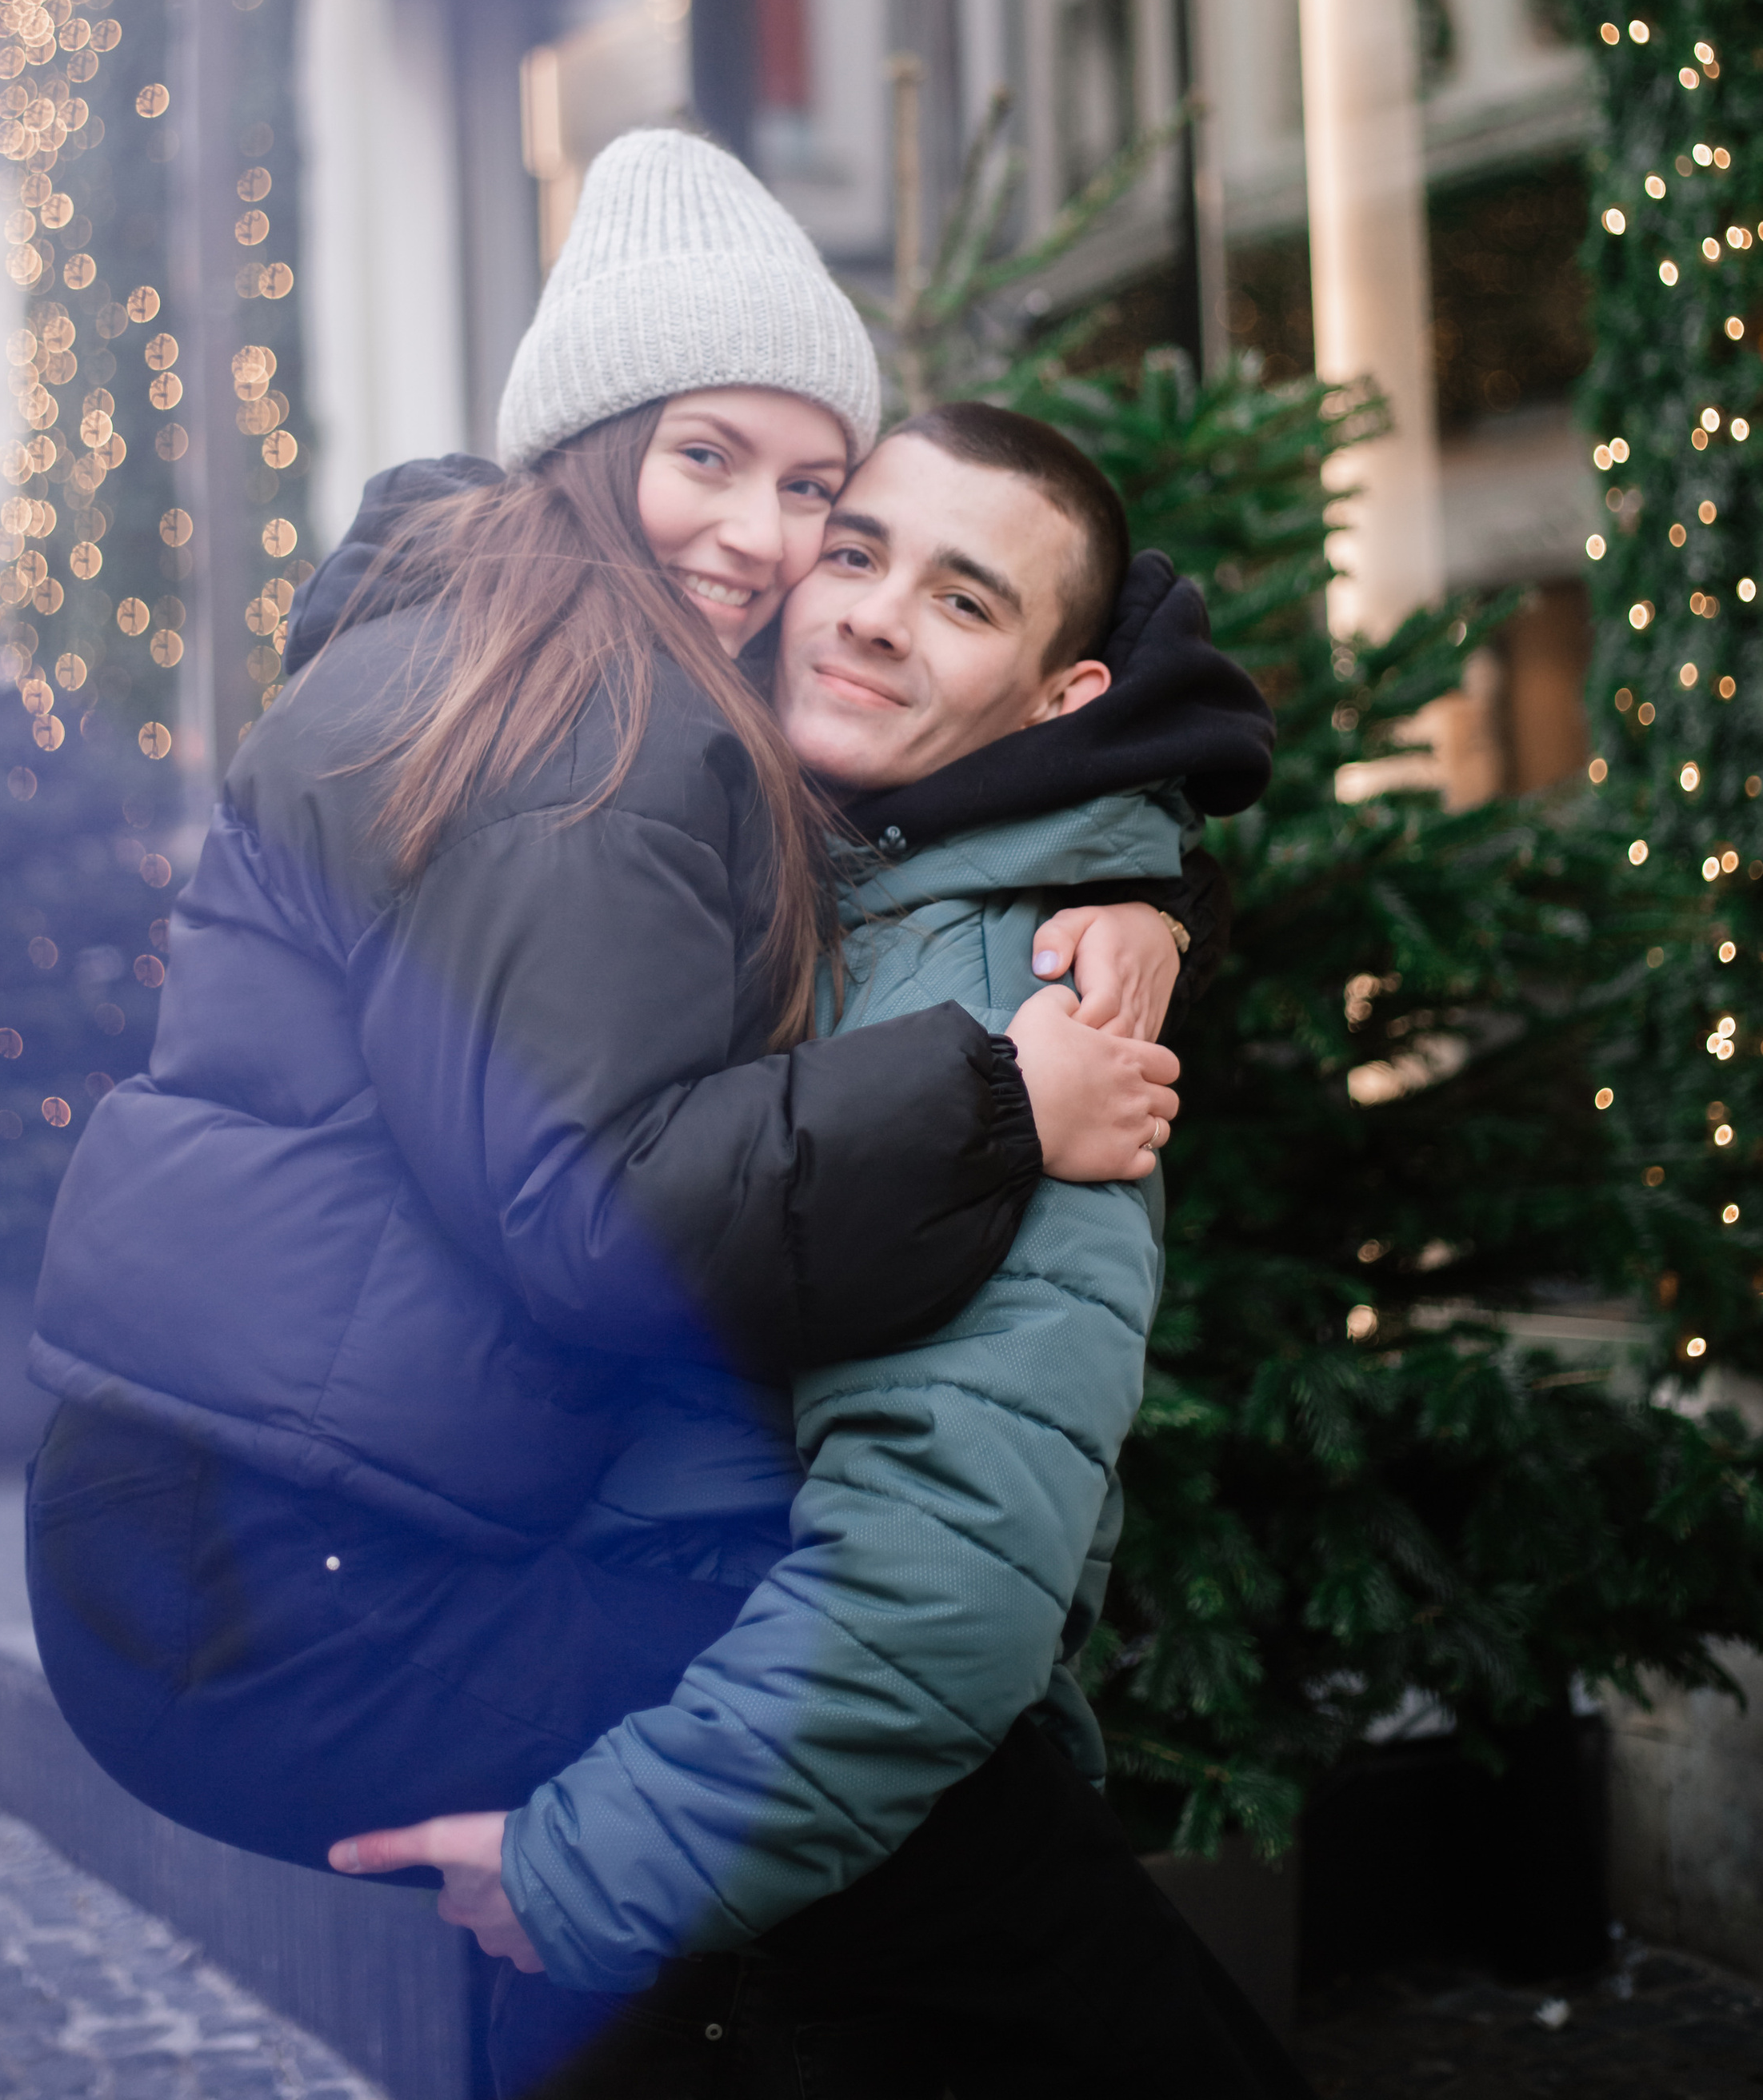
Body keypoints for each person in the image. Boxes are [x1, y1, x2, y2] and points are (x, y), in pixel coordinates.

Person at [25, 134, 1185, 1961]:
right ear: (589, 440)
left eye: (814, 485)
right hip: (271, 1573)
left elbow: (1011, 734)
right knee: (925, 1731)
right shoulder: (585, 713)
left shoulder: (516, 644)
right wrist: (999, 1091)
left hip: (218, 1522)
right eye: (704, 458)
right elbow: (593, 1217)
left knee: (879, 1743)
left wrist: (1129, 866)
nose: (766, 539)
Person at [326, 402, 1302, 2100]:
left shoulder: (1029, 1006)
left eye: (962, 601)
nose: (864, 611)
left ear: (1062, 698)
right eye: (853, 550)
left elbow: (940, 1580)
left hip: (797, 1931)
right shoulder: (747, 857)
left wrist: (596, 1866)